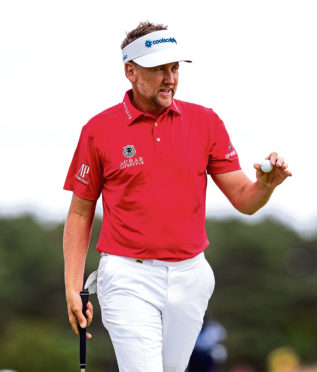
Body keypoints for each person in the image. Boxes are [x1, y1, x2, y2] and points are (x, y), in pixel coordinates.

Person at [63, 21, 292, 372]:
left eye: (174, 68)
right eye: (158, 69)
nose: (170, 78)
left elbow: (245, 199)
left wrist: (266, 185)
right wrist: (73, 285)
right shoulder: (98, 131)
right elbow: (80, 213)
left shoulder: (206, 122)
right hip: (127, 276)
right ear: (131, 71)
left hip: (191, 276)